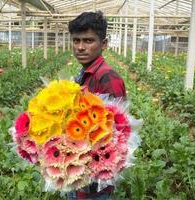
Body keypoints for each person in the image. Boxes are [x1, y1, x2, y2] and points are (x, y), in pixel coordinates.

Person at [67, 11, 126, 200]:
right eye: (76, 41)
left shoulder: (108, 78)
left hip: (95, 173)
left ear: (104, 44)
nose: (81, 47)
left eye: (88, 41)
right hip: (78, 164)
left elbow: (118, 132)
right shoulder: (85, 73)